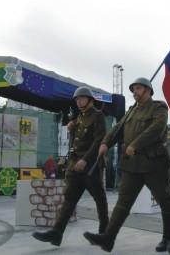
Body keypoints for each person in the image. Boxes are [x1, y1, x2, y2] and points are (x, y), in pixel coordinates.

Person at [86, 77, 170, 252]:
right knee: (123, 203)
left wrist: (135, 144)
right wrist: (105, 143)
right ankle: (108, 238)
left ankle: (168, 238)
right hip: (132, 165)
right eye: (133, 89)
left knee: (165, 202)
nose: (134, 91)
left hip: (154, 163)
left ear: (148, 90)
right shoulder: (131, 111)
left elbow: (157, 128)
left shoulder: (159, 107)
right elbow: (117, 129)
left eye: (138, 88)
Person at [34, 87, 111, 246]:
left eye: (82, 98)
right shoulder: (80, 118)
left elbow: (98, 140)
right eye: (77, 99)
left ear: (90, 100)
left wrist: (85, 160)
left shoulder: (97, 116)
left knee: (99, 198)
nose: (78, 101)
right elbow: (77, 139)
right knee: (69, 199)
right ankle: (57, 233)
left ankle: (105, 232)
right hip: (75, 166)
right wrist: (72, 126)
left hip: (90, 166)